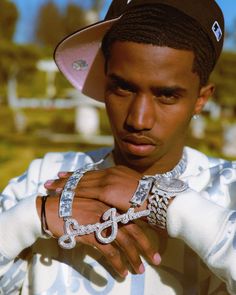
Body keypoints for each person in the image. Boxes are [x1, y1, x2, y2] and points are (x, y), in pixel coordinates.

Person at [0, 0, 236, 294]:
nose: (139, 119)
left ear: (201, 99)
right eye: (123, 87)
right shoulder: (45, 179)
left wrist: (169, 204)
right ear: (105, 82)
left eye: (166, 95)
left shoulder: (228, 190)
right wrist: (33, 217)